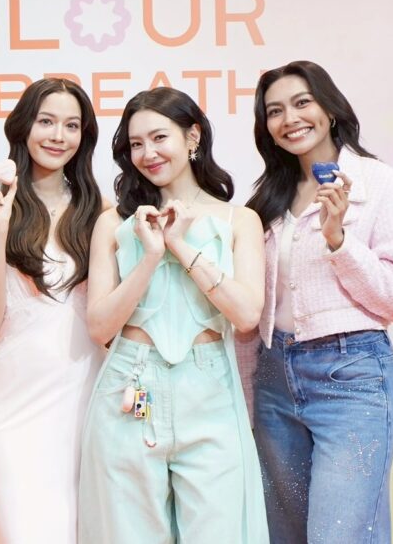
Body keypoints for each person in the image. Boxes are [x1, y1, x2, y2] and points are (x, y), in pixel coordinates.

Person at [238, 60, 393, 543]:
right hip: (274, 379)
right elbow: (250, 312)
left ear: (330, 110)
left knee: (340, 533)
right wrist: (246, 396)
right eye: (275, 111)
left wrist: (340, 243)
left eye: (301, 103)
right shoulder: (268, 198)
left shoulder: (378, 184)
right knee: (284, 534)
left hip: (350, 378)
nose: (289, 119)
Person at [78, 87, 268, 544]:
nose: (148, 153)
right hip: (131, 383)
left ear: (192, 136)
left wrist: (180, 244)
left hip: (209, 391)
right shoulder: (114, 223)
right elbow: (100, 326)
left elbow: (246, 315)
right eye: (136, 143)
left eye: (159, 137)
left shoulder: (239, 219)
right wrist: (149, 255)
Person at [0, 78, 106, 544]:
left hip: (82, 401)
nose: (58, 136)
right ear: (24, 126)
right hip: (9, 407)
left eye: (71, 125)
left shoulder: (99, 211)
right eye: (46, 121)